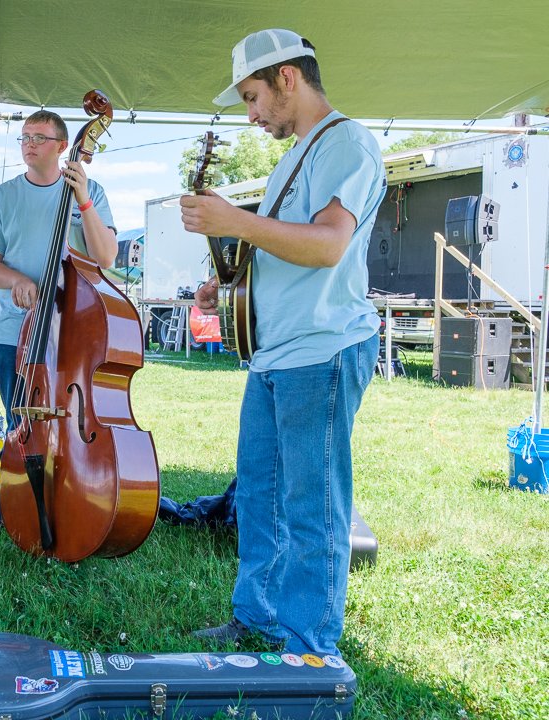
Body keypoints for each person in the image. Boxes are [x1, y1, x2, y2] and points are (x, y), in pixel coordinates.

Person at [180, 29, 385, 658]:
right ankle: (260, 617)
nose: (251, 114)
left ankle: (307, 645)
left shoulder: (346, 142)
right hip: (273, 352)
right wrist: (227, 284)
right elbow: (279, 247)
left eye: (253, 96)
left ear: (287, 79)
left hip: (320, 351)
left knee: (311, 504)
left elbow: (326, 246)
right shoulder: (295, 158)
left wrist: (232, 219)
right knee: (260, 493)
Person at [0, 110, 118, 534]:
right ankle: (9, 510)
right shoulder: (2, 197)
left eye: (39, 137)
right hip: (19, 331)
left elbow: (106, 257)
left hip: (74, 331)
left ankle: (78, 498)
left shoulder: (91, 191)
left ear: (62, 146)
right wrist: (16, 280)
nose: (29, 143)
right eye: (25, 137)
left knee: (76, 421)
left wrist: (84, 199)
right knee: (22, 426)